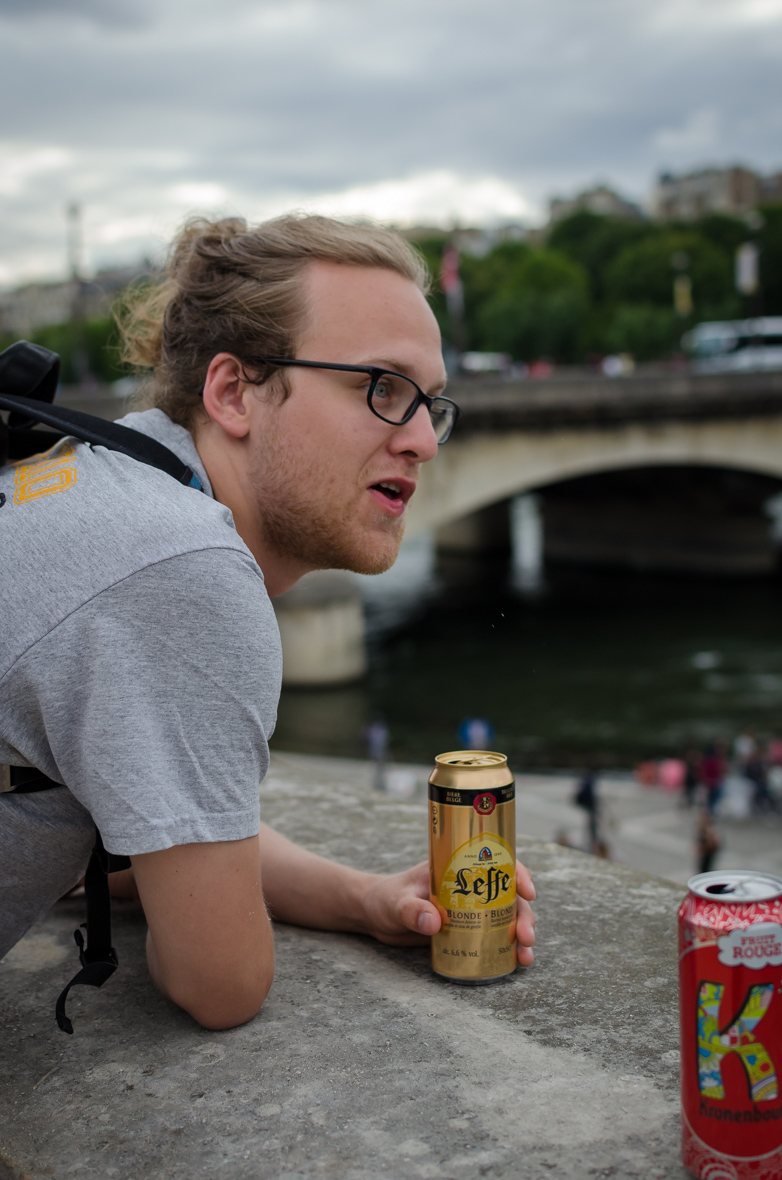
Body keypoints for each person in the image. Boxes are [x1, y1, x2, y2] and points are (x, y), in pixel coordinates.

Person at [0, 214, 536, 1030]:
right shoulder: (181, 565)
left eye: (430, 403)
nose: (425, 440)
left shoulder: (96, 474)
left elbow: (153, 836)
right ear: (233, 393)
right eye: (382, 389)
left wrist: (362, 898)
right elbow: (221, 984)